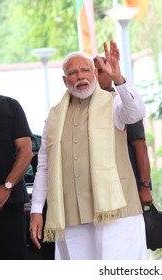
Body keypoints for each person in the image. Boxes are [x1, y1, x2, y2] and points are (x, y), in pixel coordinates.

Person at [29, 41, 148, 260]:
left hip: (117, 213)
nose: (80, 77)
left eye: (85, 70)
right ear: (65, 81)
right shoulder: (54, 116)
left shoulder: (113, 103)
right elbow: (44, 167)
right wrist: (37, 210)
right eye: (73, 73)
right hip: (72, 217)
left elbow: (137, 112)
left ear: (94, 73)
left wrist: (119, 79)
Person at [0, 50, 33, 259]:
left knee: (15, 260)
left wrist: (7, 186)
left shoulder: (11, 106)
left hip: (9, 201)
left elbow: (26, 151)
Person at [93, 56, 153, 206]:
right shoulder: (89, 106)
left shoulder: (123, 104)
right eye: (92, 72)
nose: (96, 77)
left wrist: (145, 187)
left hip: (130, 184)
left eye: (101, 71)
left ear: (111, 72)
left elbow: (141, 148)